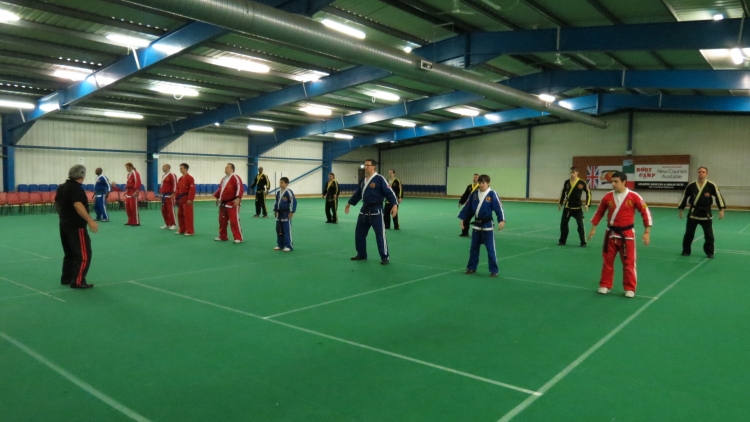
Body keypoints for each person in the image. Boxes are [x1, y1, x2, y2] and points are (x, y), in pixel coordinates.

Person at [588, 171, 652, 298]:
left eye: (616, 181)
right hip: (610, 234)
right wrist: (593, 228)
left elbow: (645, 212)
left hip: (627, 235)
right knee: (607, 261)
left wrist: (647, 232)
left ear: (624, 182)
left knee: (629, 263)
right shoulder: (607, 197)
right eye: (612, 181)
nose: (613, 184)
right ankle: (605, 285)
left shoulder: (634, 196)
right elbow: (599, 212)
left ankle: (630, 288)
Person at [345, 159, 399, 265]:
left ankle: (385, 256)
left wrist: (394, 204)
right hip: (364, 210)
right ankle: (361, 254)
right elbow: (358, 194)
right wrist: (349, 203)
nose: (365, 167)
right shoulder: (363, 180)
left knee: (380, 234)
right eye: (365, 165)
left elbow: (389, 192)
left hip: (376, 210)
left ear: (374, 166)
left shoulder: (380, 179)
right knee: (359, 233)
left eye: (368, 165)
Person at [56, 164, 98, 289]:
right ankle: (78, 281)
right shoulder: (76, 189)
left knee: (69, 253)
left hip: (64, 224)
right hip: (76, 226)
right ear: (82, 176)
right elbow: (78, 205)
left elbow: (57, 203)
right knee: (83, 255)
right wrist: (90, 220)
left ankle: (67, 278)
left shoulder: (62, 187)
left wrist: (62, 216)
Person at [457, 174, 506, 277]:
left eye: (483, 183)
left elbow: (498, 208)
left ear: (488, 183)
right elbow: (467, 207)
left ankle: (494, 270)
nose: (481, 185)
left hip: (487, 226)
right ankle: (471, 268)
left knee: (490, 249)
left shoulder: (492, 194)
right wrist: (462, 218)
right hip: (476, 226)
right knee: (474, 248)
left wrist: (501, 220)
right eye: (480, 183)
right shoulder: (474, 194)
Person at [678, 166, 725, 258]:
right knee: (688, 234)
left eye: (703, 172)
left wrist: (722, 209)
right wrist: (681, 209)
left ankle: (709, 252)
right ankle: (686, 251)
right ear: (697, 173)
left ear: (706, 174)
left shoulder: (711, 185)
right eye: (699, 172)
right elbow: (684, 196)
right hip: (693, 213)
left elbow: (719, 197)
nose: (701, 173)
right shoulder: (691, 186)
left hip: (706, 214)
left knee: (709, 235)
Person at [558, 166, 591, 247]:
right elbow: (563, 193)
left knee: (580, 225)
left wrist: (587, 204)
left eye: (573, 173)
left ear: (577, 173)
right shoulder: (566, 182)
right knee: (563, 224)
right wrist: (560, 203)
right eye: (571, 173)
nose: (572, 174)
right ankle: (562, 241)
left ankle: (583, 242)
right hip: (568, 207)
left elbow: (588, 192)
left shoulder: (582, 182)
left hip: (577, 208)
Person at [214, 163, 244, 243]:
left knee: (234, 221)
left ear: (232, 169)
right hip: (223, 203)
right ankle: (222, 236)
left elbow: (240, 188)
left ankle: (238, 237)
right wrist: (217, 197)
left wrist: (238, 198)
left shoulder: (235, 177)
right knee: (222, 221)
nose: (225, 168)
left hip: (232, 203)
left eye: (227, 167)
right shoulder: (224, 179)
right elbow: (221, 189)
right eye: (225, 167)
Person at [272, 177, 297, 251]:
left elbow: (293, 202)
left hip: (286, 214)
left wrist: (292, 211)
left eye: (282, 182)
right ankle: (280, 245)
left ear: (286, 184)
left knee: (286, 230)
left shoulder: (289, 192)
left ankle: (289, 246)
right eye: (280, 182)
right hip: (279, 214)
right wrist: (275, 210)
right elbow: (276, 202)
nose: (280, 184)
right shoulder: (278, 192)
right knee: (279, 230)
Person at [175, 163, 196, 236]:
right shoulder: (180, 179)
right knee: (180, 214)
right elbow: (178, 189)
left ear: (186, 169)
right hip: (180, 198)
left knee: (188, 215)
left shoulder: (190, 178)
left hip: (186, 198)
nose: (180, 169)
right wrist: (176, 198)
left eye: (182, 168)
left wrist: (190, 199)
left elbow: (192, 189)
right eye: (180, 168)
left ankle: (190, 231)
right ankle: (182, 229)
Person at [159, 164, 178, 230]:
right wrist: (160, 192)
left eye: (164, 167)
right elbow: (162, 185)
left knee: (170, 210)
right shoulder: (163, 176)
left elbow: (175, 184)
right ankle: (167, 224)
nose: (162, 168)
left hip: (169, 195)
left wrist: (173, 193)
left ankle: (173, 224)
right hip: (163, 195)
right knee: (164, 210)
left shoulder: (172, 175)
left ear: (168, 167)